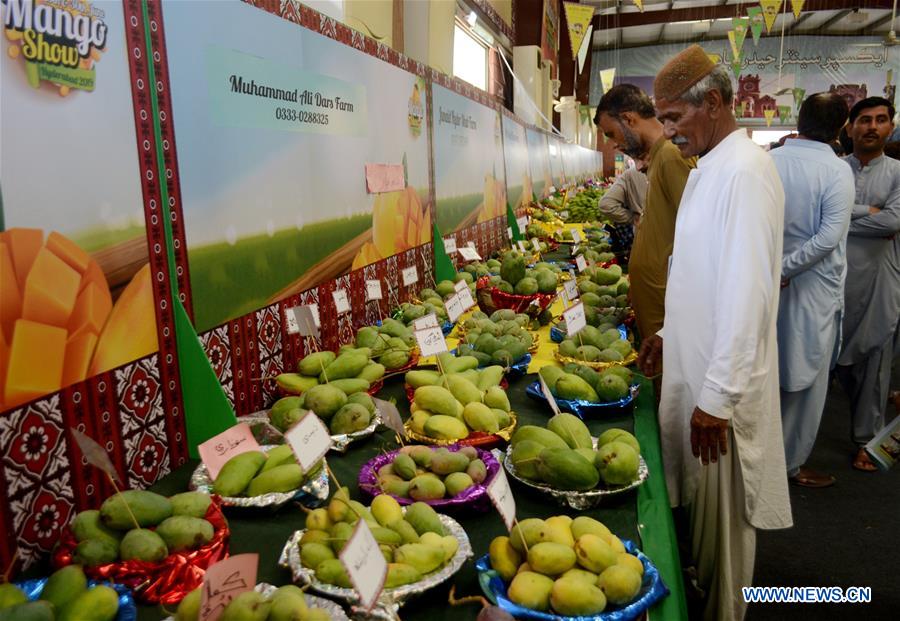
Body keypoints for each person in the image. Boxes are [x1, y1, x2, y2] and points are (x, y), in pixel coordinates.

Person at [638, 45, 792, 621]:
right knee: (701, 523)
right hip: (694, 367)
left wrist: (719, 397)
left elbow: (748, 294)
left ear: (718, 104)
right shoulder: (709, 167)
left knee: (725, 536)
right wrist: (667, 331)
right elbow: (695, 270)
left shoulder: (747, 173)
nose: (668, 132)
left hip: (718, 391)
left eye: (675, 118)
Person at [771, 93, 854, 488]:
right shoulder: (837, 171)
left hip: (767, 281)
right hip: (811, 286)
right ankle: (789, 465)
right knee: (808, 378)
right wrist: (785, 270)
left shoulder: (768, 161)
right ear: (842, 127)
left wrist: (772, 269)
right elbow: (827, 239)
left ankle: (757, 457)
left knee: (768, 366)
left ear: (799, 120)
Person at [594, 84, 694, 342]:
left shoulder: (671, 156)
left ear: (629, 118)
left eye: (612, 134)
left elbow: (695, 236)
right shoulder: (658, 158)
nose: (615, 145)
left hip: (667, 309)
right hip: (657, 302)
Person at [835, 96, 900, 472]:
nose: (871, 126)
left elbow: (892, 222)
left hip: (879, 280)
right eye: (863, 120)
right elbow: (814, 218)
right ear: (850, 127)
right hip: (834, 280)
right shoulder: (835, 170)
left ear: (890, 126)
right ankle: (797, 448)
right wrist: (867, 213)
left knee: (876, 362)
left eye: (879, 120)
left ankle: (867, 441)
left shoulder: (897, 172)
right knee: (828, 360)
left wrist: (840, 222)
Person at [597, 166, 648, 260]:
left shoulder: (631, 173)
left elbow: (605, 205)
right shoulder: (671, 167)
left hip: (639, 240)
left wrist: (634, 218)